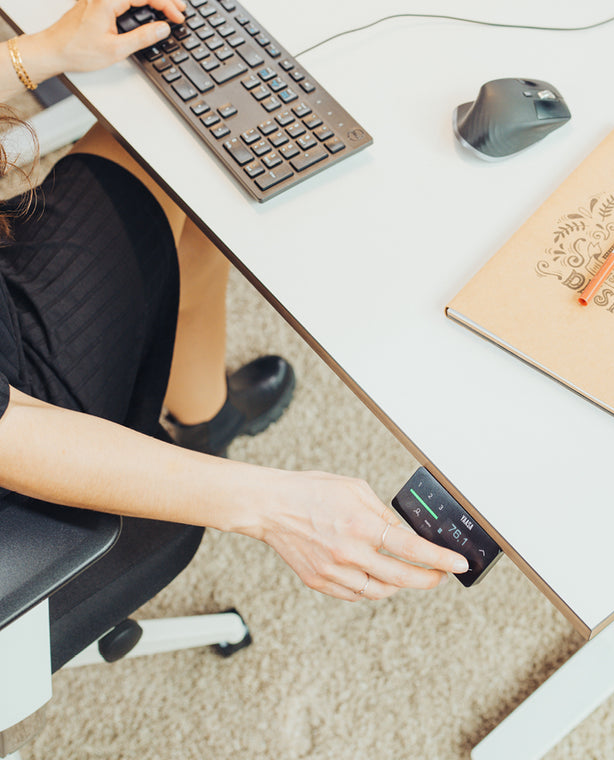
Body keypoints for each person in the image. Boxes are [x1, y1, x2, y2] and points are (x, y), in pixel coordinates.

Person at [0, 0, 468, 602]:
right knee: (162, 149)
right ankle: (203, 426)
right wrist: (270, 506)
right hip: (26, 422)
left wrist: (47, 50)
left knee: (197, 160)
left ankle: (206, 417)